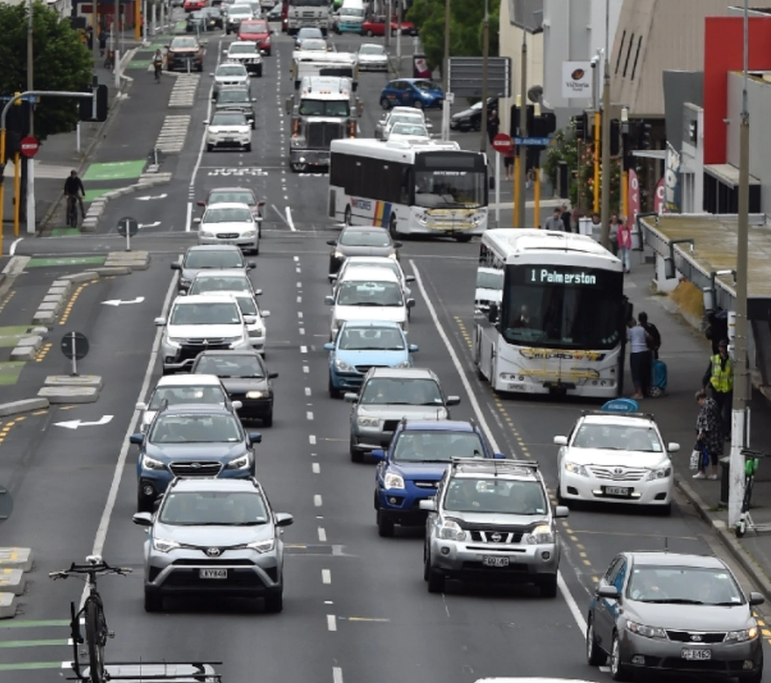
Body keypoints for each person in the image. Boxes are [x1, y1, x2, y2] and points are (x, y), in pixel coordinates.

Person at [701, 339, 733, 439]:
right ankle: (717, 431)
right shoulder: (714, 359)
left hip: (728, 390)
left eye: (724, 347)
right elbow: (708, 373)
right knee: (716, 412)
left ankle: (726, 433)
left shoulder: (731, 360)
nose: (722, 349)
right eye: (721, 347)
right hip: (716, 390)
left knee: (727, 413)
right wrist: (703, 386)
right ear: (719, 348)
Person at [694, 390, 723, 479]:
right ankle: (711, 472)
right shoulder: (711, 403)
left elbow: (706, 420)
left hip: (710, 434)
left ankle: (704, 472)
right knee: (711, 453)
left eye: (698, 401)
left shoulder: (707, 406)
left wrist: (701, 432)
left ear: (700, 399)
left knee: (704, 452)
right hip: (713, 433)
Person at [627, 318, 652, 400]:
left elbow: (626, 340)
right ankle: (643, 391)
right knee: (643, 372)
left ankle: (639, 393)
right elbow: (650, 338)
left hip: (635, 352)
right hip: (644, 352)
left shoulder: (630, 331)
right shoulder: (642, 329)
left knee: (636, 372)